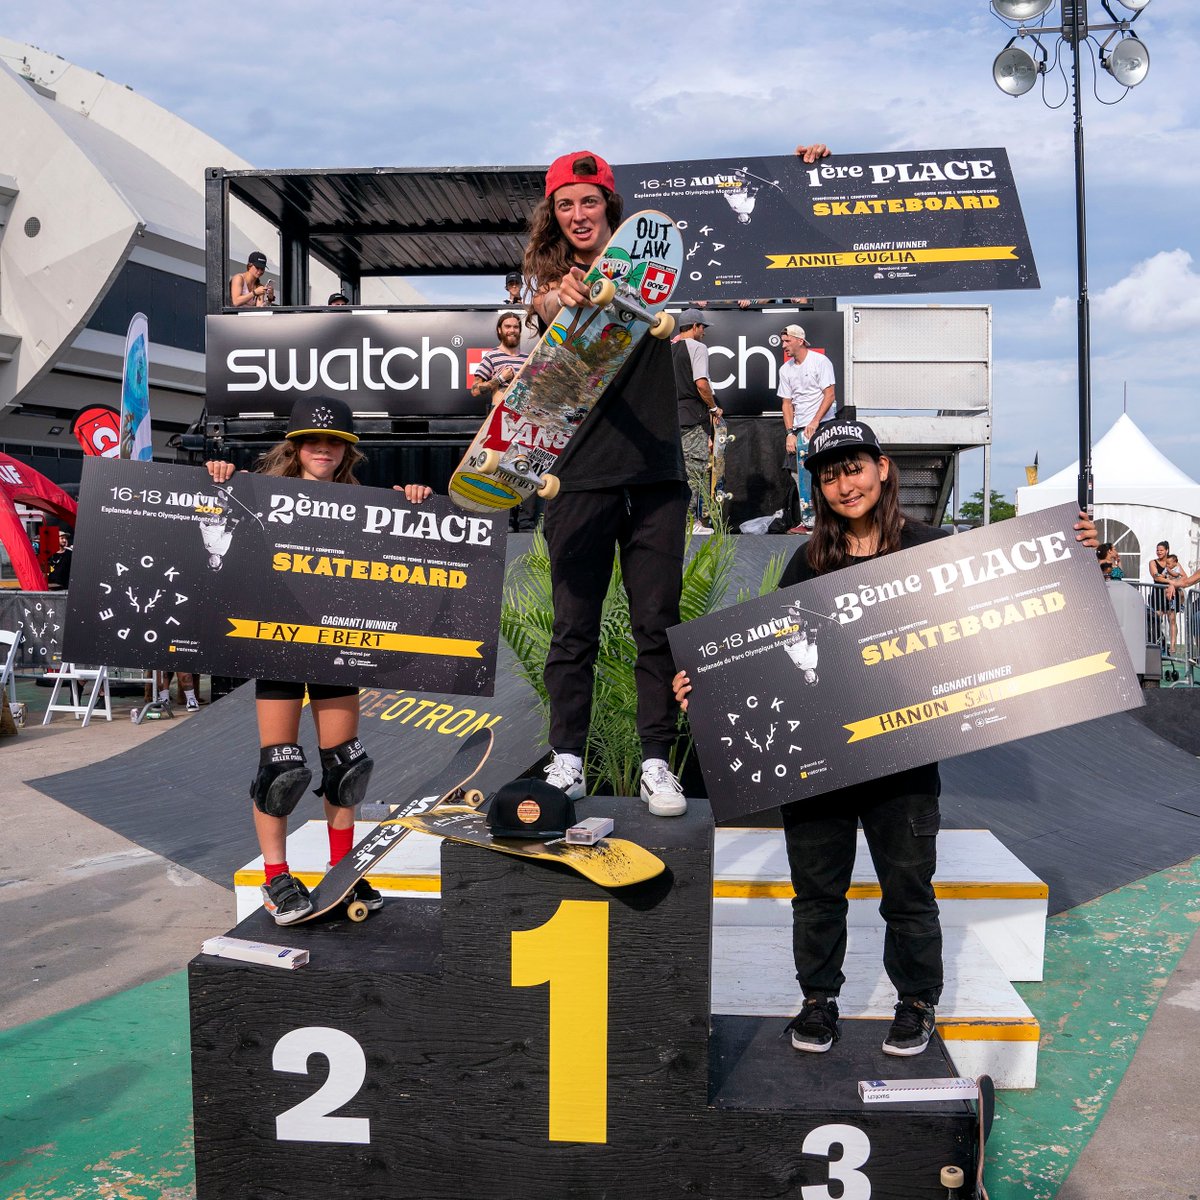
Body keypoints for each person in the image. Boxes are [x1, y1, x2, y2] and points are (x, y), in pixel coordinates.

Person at [673, 419, 1099, 1056]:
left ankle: (916, 1002)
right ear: (819, 488)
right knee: (817, 893)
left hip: (902, 762)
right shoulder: (806, 561)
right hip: (820, 767)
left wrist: (1082, 554)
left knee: (909, 891)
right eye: (829, 475)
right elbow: (770, 658)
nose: (844, 485)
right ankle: (818, 1002)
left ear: (883, 469)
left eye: (854, 469)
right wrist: (707, 691)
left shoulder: (934, 548)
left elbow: (1009, 602)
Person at [527, 144, 828, 818]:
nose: (578, 214)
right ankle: (567, 760)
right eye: (565, 205)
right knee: (572, 628)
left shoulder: (652, 275)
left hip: (657, 477)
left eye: (589, 201)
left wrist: (806, 169)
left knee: (656, 625)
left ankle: (657, 763)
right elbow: (549, 304)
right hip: (579, 477)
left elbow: (742, 215)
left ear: (609, 205)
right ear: (554, 214)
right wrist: (557, 298)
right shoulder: (548, 285)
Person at [206, 396, 432, 924]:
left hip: (338, 645)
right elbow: (214, 525)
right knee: (278, 770)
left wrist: (414, 501)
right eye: (312, 440)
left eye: (332, 441)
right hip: (279, 641)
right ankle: (275, 877)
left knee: (346, 767)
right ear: (296, 447)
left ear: (345, 449)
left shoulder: (369, 505)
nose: (322, 448)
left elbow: (407, 538)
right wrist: (217, 477)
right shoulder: (256, 496)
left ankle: (340, 869)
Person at [471, 311, 538, 531]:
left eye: (516, 327)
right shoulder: (491, 357)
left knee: (525, 467)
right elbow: (475, 390)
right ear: (500, 330)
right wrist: (499, 379)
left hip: (524, 419)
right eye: (507, 326)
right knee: (499, 467)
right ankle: (503, 520)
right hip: (499, 419)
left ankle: (527, 523)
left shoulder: (527, 358)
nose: (512, 330)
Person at [778, 324, 836, 534]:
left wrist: (815, 422)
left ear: (800, 341)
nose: (784, 345)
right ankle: (808, 521)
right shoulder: (785, 369)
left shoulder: (820, 362)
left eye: (787, 341)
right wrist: (790, 433)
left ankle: (829, 521)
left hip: (822, 426)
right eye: (783, 341)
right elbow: (786, 403)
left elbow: (830, 395)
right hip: (800, 428)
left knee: (825, 473)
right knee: (798, 473)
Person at [672, 308, 721, 535]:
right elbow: (701, 383)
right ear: (693, 327)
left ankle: (675, 520)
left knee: (676, 471)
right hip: (693, 418)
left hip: (671, 419)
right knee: (693, 471)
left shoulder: (669, 347)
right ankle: (689, 523)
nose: (704, 333)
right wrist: (713, 407)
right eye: (703, 328)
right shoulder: (698, 348)